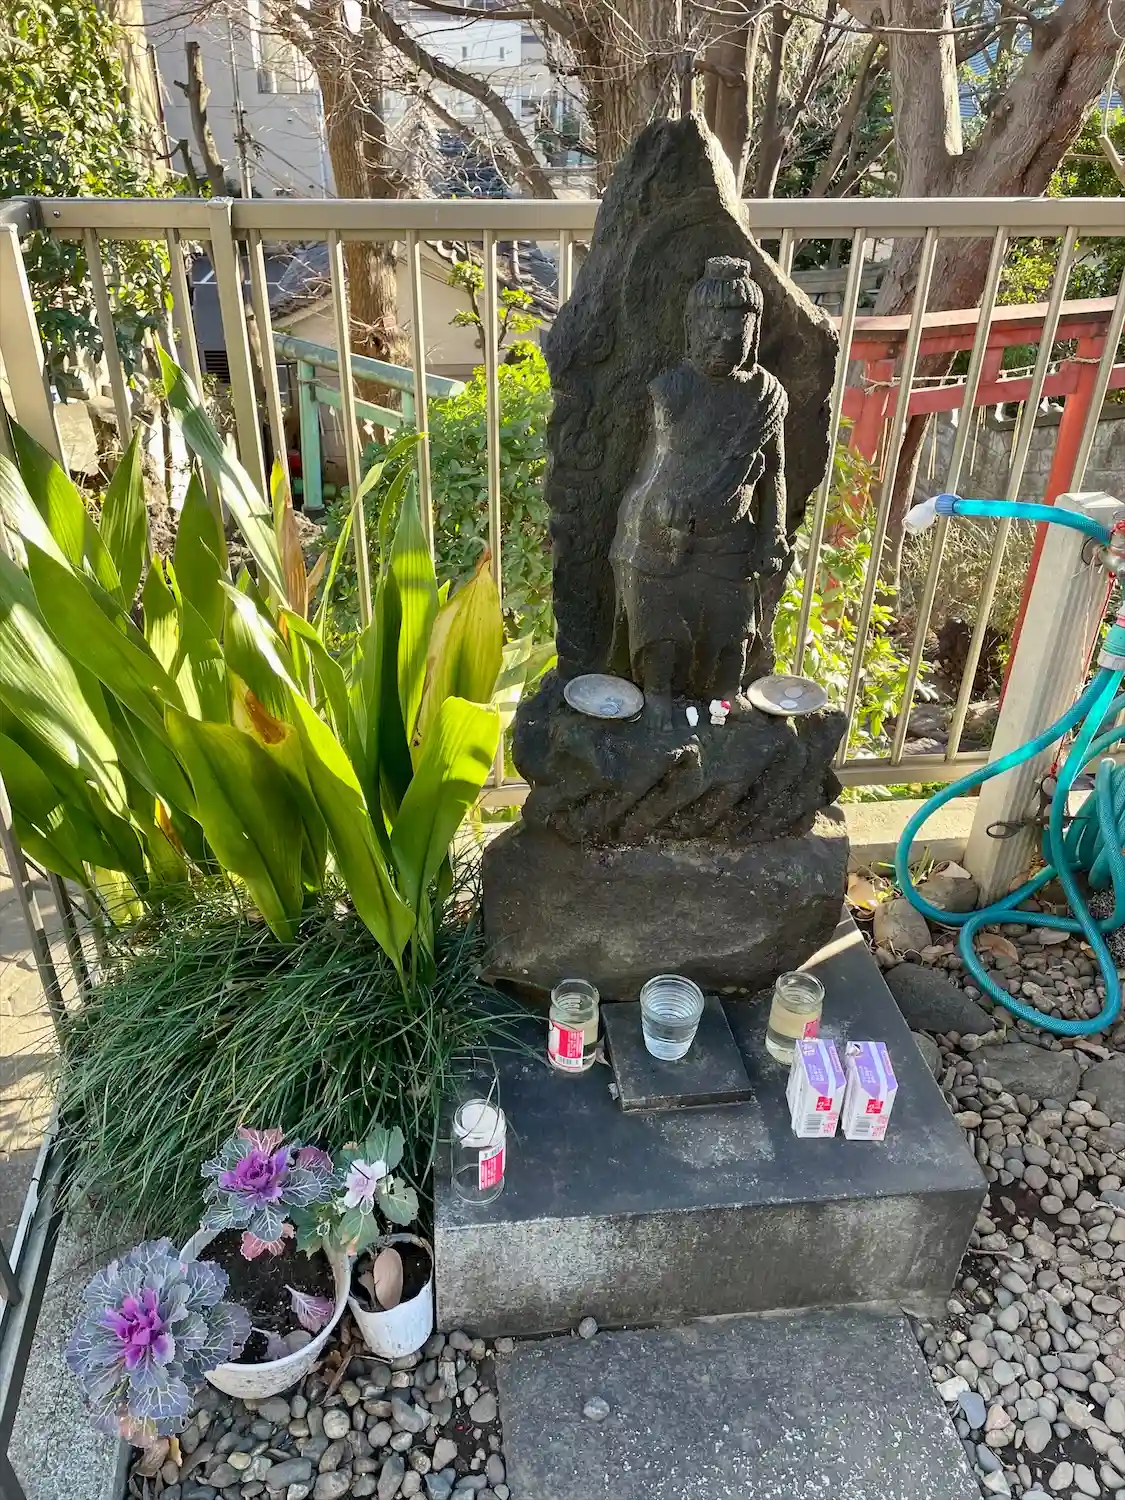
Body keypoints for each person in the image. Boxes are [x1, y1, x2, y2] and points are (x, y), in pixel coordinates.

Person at [610, 256, 788, 729]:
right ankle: (658, 695)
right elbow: (659, 467)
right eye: (709, 332)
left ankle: (725, 696)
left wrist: (772, 533)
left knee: (734, 624)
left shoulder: (766, 396)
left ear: (753, 333)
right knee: (660, 621)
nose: (720, 343)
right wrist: (662, 515)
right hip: (665, 533)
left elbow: (775, 471)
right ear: (691, 328)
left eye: (733, 334)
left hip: (731, 535)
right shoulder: (671, 390)